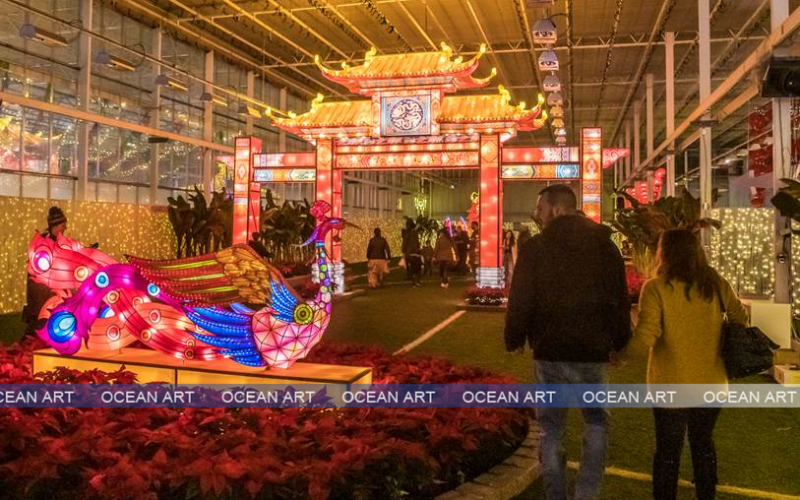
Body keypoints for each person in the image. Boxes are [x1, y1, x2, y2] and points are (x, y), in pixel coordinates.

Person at [504, 184, 631, 500]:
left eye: (541, 209)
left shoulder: (535, 248)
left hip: (550, 351)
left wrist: (515, 337)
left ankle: (555, 494)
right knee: (597, 422)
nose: (537, 215)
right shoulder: (605, 246)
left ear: (558, 209)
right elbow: (619, 298)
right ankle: (587, 494)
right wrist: (620, 342)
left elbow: (521, 298)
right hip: (593, 352)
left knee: (551, 429)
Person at [632, 229, 747, 500]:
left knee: (668, 454)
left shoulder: (656, 288)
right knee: (703, 444)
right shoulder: (716, 283)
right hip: (712, 384)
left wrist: (620, 354)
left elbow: (647, 335)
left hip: (670, 385)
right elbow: (740, 318)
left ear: (665, 253)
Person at [23, 206, 69, 336]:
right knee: (40, 316)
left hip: (51, 286)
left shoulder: (59, 242)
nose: (65, 227)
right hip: (40, 287)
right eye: (63, 224)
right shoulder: (43, 242)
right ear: (56, 225)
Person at [402, 219, 423, 287]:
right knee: (417, 268)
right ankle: (417, 282)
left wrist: (403, 251)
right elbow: (416, 243)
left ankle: (414, 282)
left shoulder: (406, 233)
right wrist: (418, 250)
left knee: (412, 268)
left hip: (409, 253)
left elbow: (404, 243)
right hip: (415, 253)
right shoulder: (414, 232)